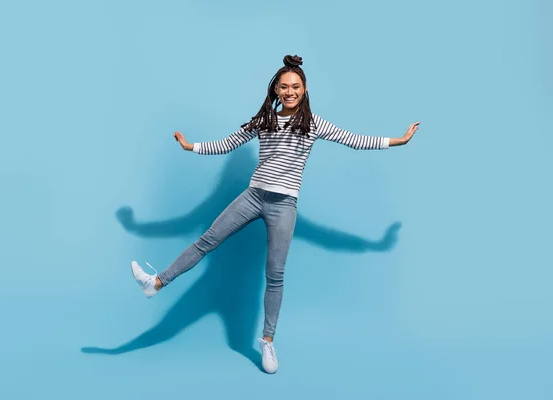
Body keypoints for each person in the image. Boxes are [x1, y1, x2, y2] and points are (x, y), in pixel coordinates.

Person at [130, 54, 420, 374]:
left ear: (305, 89)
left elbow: (354, 140)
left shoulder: (314, 123)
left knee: (275, 274)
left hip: (283, 205)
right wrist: (191, 147)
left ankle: (267, 341)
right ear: (276, 90)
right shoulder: (264, 121)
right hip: (253, 196)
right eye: (284, 87)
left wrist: (398, 141)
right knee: (206, 240)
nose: (290, 91)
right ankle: (155, 283)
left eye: (295, 86)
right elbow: (228, 143)